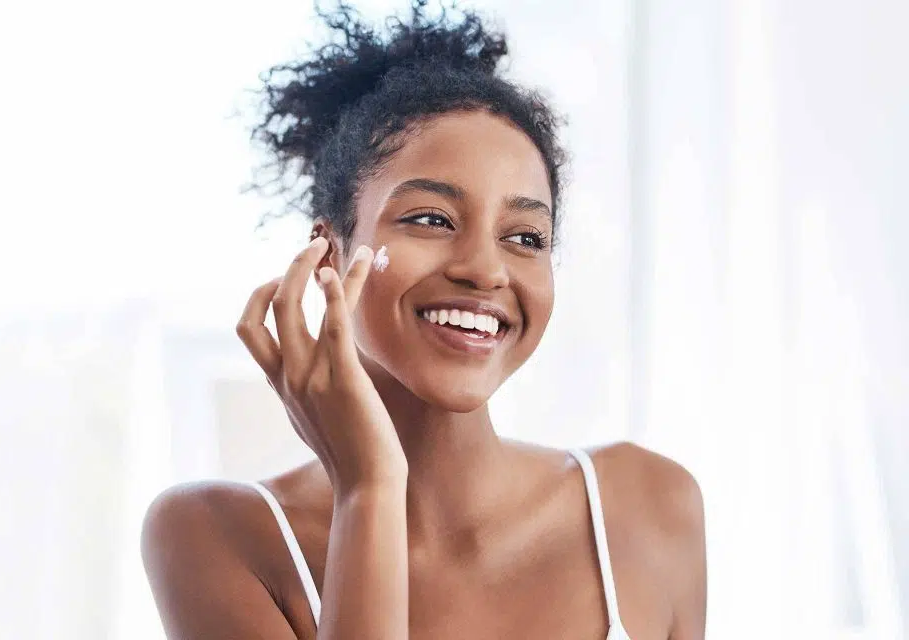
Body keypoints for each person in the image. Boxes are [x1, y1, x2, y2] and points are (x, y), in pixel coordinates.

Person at [141, 1, 707, 638]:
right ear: (327, 251)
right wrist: (369, 488)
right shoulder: (216, 535)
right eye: (432, 220)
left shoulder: (648, 504)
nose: (485, 270)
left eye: (525, 236)